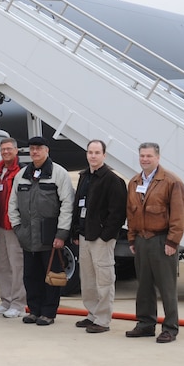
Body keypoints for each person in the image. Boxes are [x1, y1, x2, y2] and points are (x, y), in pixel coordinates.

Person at [7, 136, 75, 326]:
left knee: (51, 276)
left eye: (38, 148)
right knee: (30, 276)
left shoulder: (58, 174)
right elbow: (12, 204)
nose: (35, 152)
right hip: (27, 235)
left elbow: (67, 204)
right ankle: (34, 310)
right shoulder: (22, 175)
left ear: (47, 151)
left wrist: (61, 233)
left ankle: (48, 313)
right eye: (32, 149)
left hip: (50, 236)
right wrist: (18, 228)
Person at [125, 142, 184, 343]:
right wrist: (132, 237)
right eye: (142, 156)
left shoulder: (171, 182)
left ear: (158, 158)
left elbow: (179, 215)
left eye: (149, 156)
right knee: (143, 285)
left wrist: (172, 241)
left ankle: (170, 328)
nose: (145, 159)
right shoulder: (134, 182)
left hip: (162, 240)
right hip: (142, 240)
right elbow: (131, 212)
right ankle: (145, 323)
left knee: (166, 286)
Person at [72, 139, 128, 334]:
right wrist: (76, 231)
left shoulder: (113, 181)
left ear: (104, 155)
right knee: (87, 279)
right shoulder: (84, 177)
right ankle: (92, 314)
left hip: (101, 239)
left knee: (104, 279)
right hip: (85, 236)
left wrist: (106, 236)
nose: (93, 156)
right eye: (90, 152)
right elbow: (78, 205)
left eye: (97, 152)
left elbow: (118, 213)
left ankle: (103, 320)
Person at [0, 138, 27, 318]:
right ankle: (6, 300)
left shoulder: (22, 172)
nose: (6, 152)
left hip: (14, 226)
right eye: (3, 149)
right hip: (0, 226)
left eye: (9, 149)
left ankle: (18, 304)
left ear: (16, 151)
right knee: (2, 266)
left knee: (17, 266)